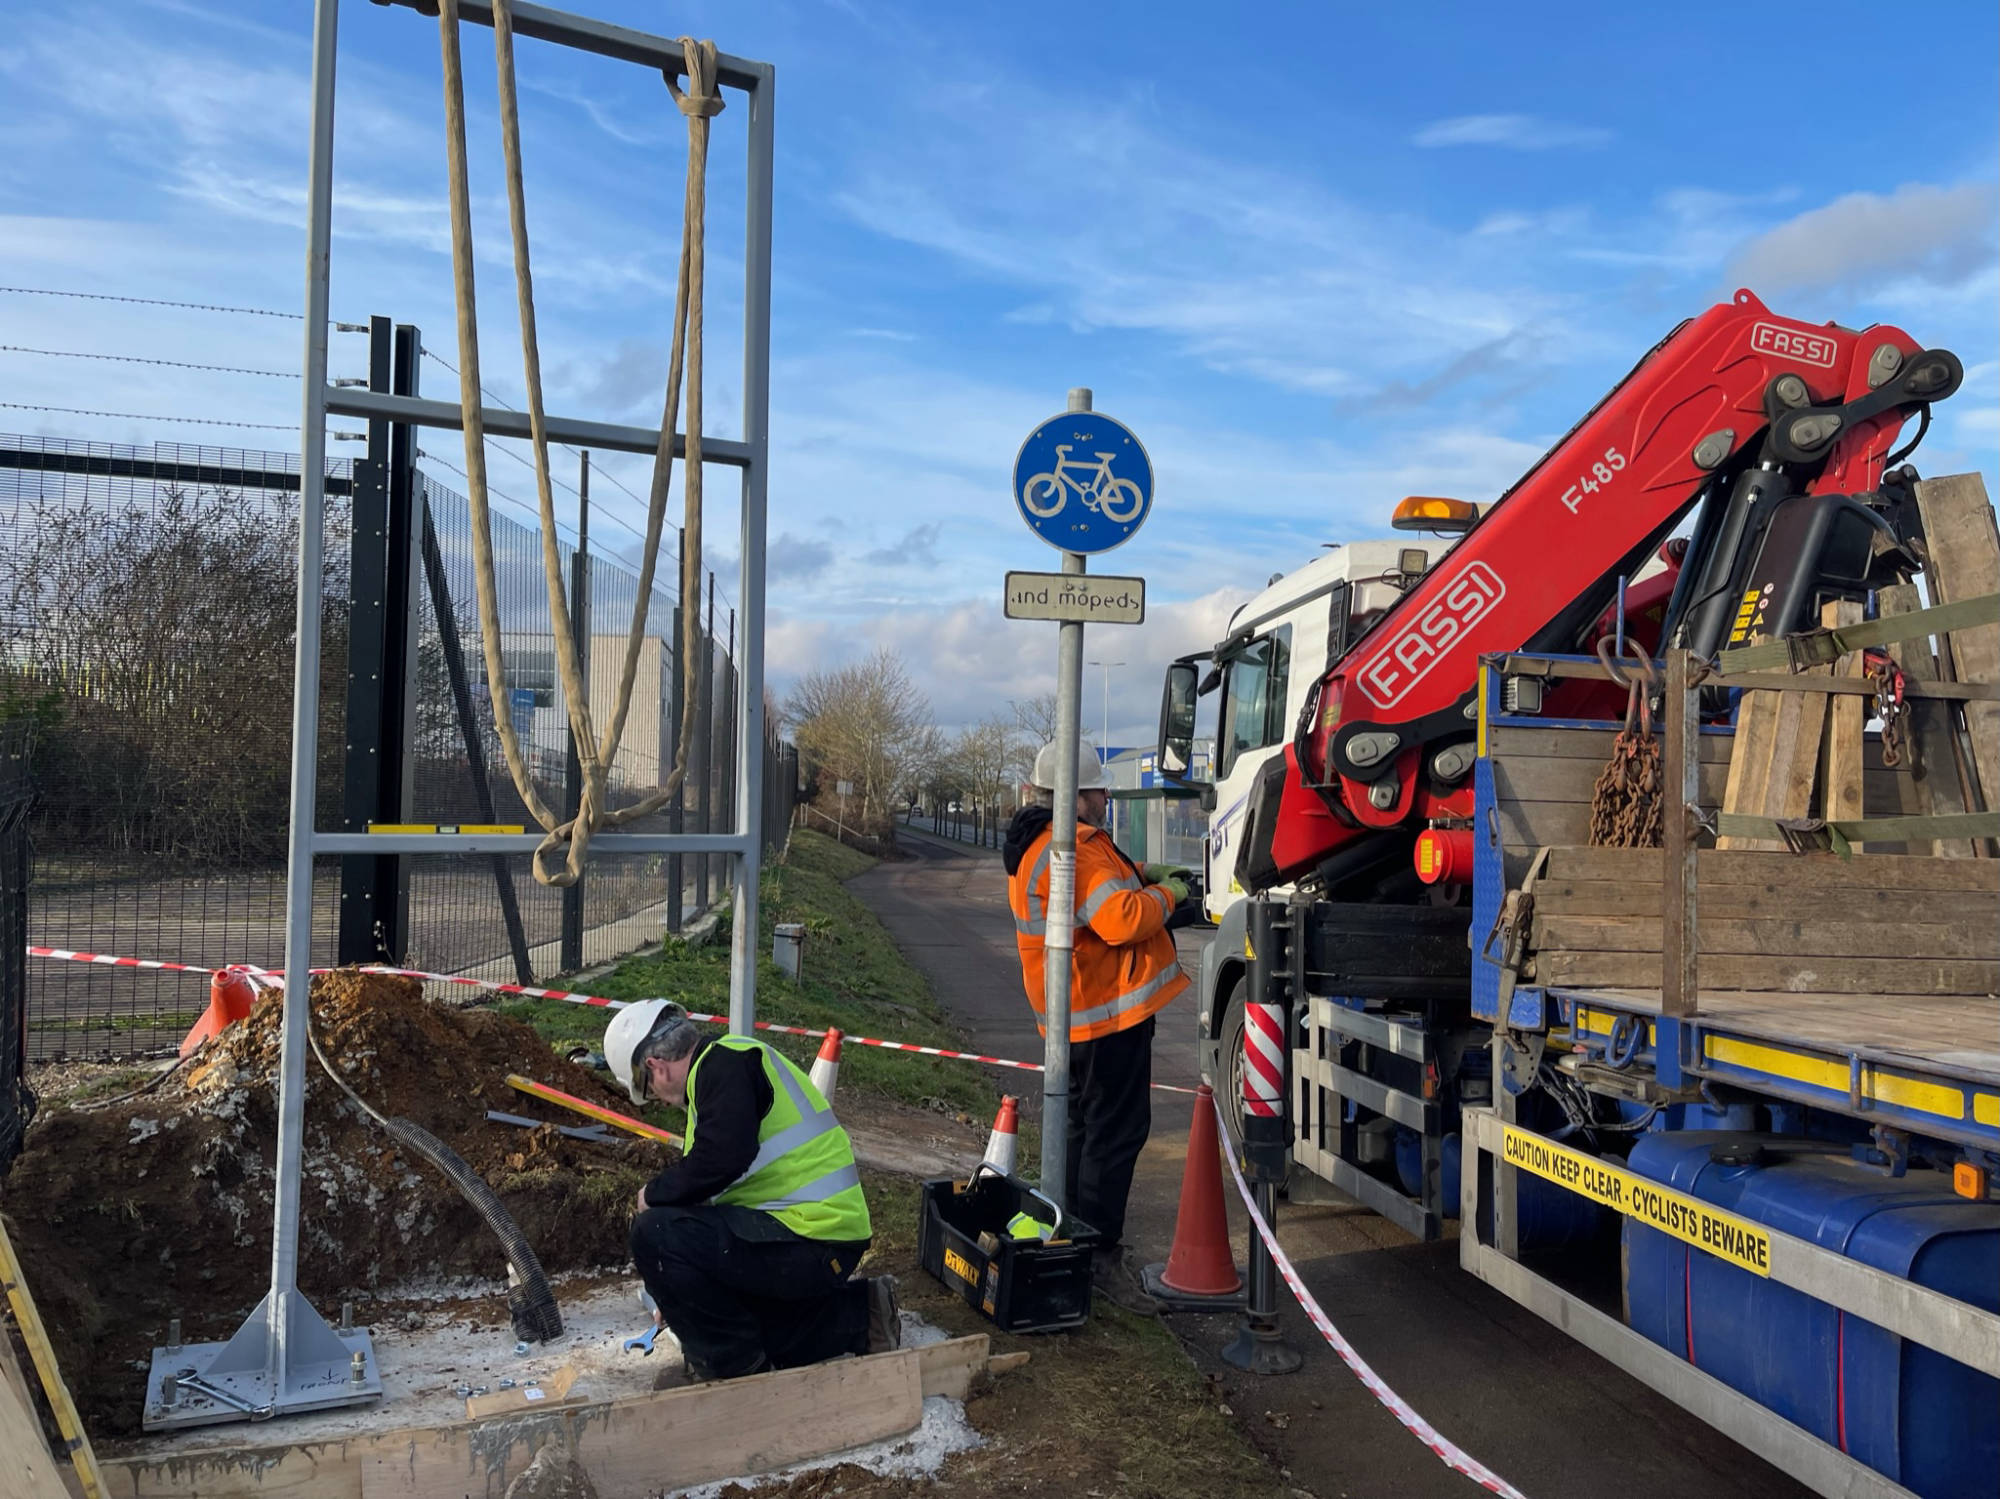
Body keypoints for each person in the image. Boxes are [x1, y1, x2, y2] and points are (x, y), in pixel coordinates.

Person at [604, 998, 900, 1383]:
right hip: (812, 1235)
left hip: (812, 1237)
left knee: (653, 1232)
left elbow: (722, 1158)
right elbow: (711, 1189)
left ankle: (733, 1369)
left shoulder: (724, 1065)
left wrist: (652, 1195)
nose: (657, 1098)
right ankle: (863, 1315)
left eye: (647, 1090)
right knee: (731, 1319)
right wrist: (679, 1298)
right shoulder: (722, 1074)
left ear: (655, 1066)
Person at [1002, 740, 1190, 1312]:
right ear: (1074, 796)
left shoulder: (1040, 844)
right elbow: (1121, 918)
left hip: (1077, 1019)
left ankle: (1073, 1240)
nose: (1107, 797)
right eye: (1098, 789)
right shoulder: (1075, 848)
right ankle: (1099, 1256)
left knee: (1082, 1133)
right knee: (1113, 1136)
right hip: (1107, 1017)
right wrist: (1171, 893)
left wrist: (1142, 872)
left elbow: (1097, 896)